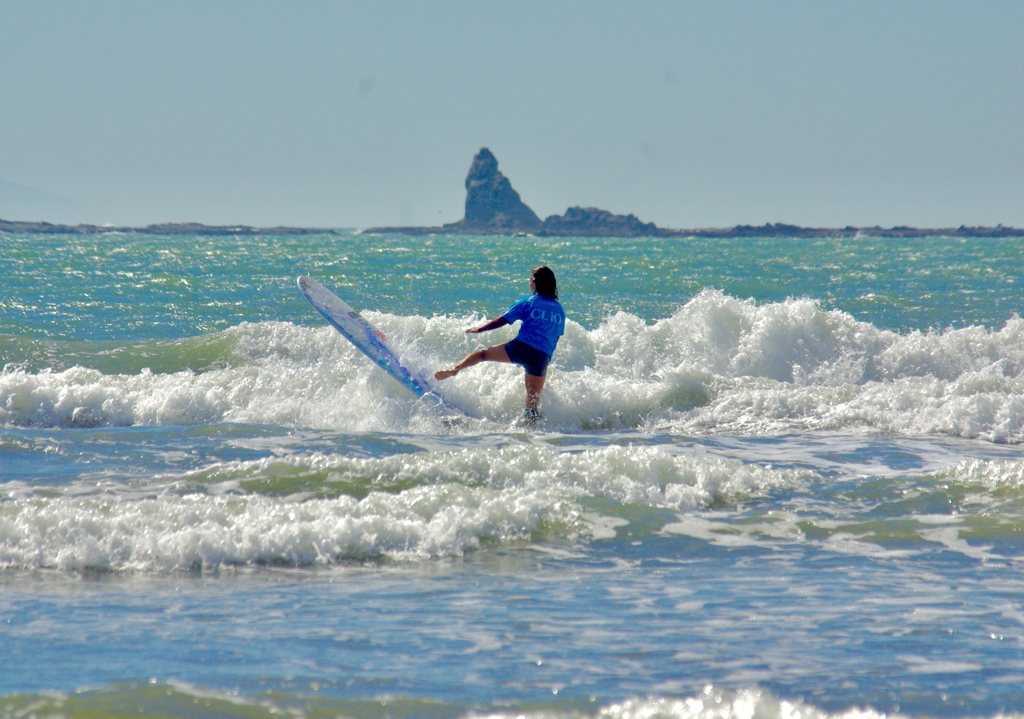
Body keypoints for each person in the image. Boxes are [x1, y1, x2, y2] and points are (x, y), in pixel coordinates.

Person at [435, 266, 565, 421]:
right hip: (542, 356)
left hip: (521, 347)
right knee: (532, 400)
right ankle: (531, 430)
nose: (529, 284)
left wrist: (480, 329)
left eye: (530, 280)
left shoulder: (529, 302)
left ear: (535, 282)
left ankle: (455, 370)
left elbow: (504, 320)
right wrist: (544, 358)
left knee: (482, 354)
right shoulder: (559, 310)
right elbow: (556, 338)